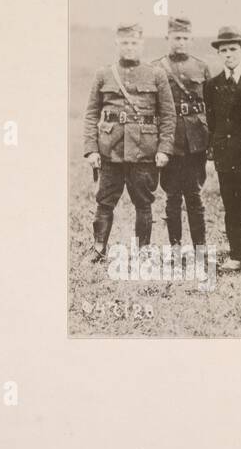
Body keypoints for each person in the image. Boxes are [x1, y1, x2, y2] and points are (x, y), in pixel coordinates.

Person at [81, 22, 176, 263]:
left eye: (134, 43)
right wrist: (91, 149)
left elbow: (168, 115)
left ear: (141, 44)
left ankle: (142, 251)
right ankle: (99, 248)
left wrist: (164, 149)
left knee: (143, 202)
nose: (130, 47)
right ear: (117, 44)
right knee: (104, 201)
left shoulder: (156, 74)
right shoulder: (103, 74)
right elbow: (92, 113)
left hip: (144, 151)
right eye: (125, 43)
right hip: (110, 151)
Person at [203, 27, 241, 273]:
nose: (229, 55)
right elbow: (212, 120)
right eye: (224, 50)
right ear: (218, 53)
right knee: (232, 207)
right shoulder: (212, 85)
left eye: (233, 49)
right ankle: (237, 256)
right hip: (225, 155)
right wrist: (213, 151)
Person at [151, 16, 211, 253]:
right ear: (168, 38)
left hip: (196, 140)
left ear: (192, 39)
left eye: (185, 38)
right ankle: (175, 247)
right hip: (170, 141)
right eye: (177, 38)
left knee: (195, 195)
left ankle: (200, 247)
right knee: (172, 195)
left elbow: (210, 105)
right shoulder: (156, 67)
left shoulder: (201, 67)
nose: (181, 43)